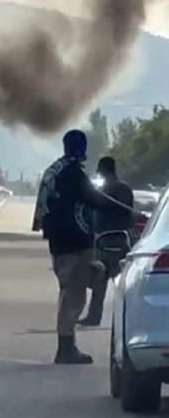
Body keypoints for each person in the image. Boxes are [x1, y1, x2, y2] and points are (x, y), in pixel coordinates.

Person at [33, 129, 136, 365]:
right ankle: (66, 347)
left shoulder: (55, 169)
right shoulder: (74, 173)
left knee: (74, 286)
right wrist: (125, 209)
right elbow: (96, 199)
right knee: (75, 293)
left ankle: (69, 343)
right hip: (75, 241)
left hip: (58, 242)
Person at [79, 156, 134, 327]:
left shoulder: (102, 191)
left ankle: (95, 316)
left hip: (104, 240)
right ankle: (128, 319)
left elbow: (95, 217)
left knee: (99, 282)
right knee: (122, 283)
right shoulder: (126, 189)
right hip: (122, 240)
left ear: (102, 171)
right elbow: (129, 215)